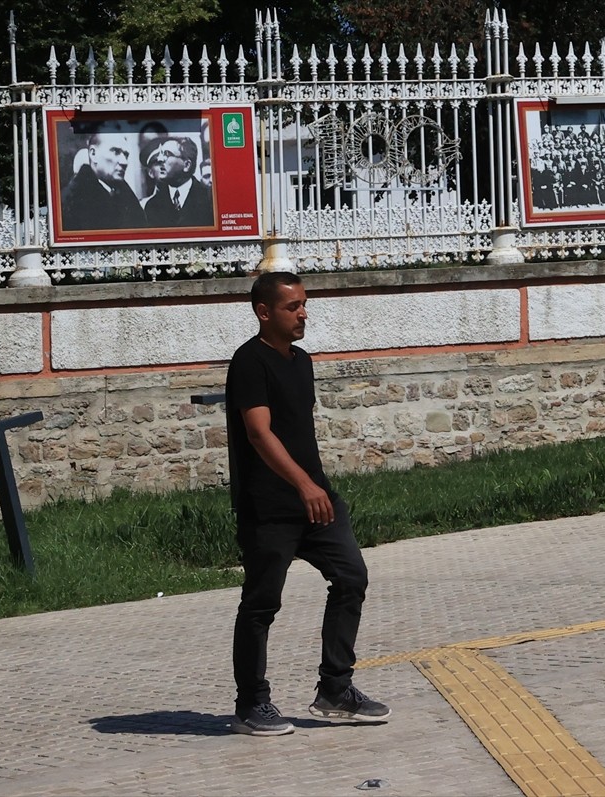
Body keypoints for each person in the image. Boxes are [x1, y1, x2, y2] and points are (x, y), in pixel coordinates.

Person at [226, 271, 390, 736]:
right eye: (292, 306)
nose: (303, 313)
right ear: (264, 311)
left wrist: (315, 488)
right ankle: (251, 705)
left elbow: (299, 429)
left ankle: (335, 689)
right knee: (261, 605)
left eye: (304, 304)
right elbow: (259, 433)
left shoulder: (301, 361)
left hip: (317, 500)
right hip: (270, 506)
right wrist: (302, 485)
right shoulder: (248, 363)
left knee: (351, 576)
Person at [59, 128, 147, 231]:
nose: (124, 162)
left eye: (126, 155)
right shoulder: (71, 200)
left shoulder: (127, 197)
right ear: (93, 154)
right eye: (116, 151)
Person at [141, 136, 215, 227]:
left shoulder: (210, 198)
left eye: (167, 154)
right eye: (161, 154)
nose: (160, 159)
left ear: (186, 165)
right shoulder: (152, 206)